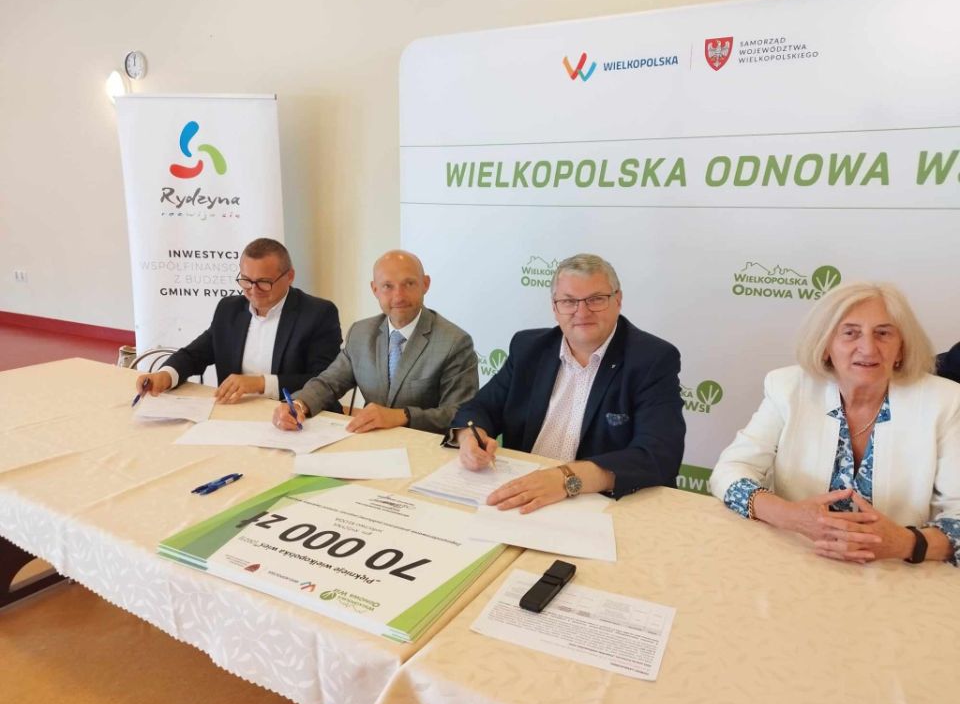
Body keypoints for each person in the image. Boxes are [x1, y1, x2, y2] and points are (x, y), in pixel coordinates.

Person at [709, 282, 960, 565]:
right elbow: (730, 470)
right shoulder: (788, 387)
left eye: (883, 333)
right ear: (826, 346)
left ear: (901, 348)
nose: (868, 348)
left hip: (896, 571)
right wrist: (790, 516)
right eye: (850, 333)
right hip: (797, 559)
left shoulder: (945, 401)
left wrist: (905, 543)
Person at [451, 253, 685, 513]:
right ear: (555, 308)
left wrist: (566, 479)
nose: (582, 312)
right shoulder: (529, 348)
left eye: (596, 299)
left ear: (617, 300)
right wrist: (470, 437)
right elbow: (479, 408)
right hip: (524, 498)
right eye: (569, 301)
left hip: (602, 505)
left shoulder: (652, 359)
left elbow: (659, 455)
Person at [273, 250, 478, 434]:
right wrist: (298, 404)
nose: (398, 296)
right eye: (388, 286)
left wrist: (403, 416)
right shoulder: (361, 333)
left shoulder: (455, 342)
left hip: (425, 448)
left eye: (409, 284)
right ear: (375, 289)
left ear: (425, 284)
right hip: (371, 443)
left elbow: (460, 414)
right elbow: (328, 383)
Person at [135, 238, 341, 404]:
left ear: (289, 277)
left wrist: (260, 384)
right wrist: (165, 375)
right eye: (246, 280)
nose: (253, 290)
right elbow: (194, 355)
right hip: (236, 413)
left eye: (264, 282)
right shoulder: (229, 309)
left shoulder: (318, 314)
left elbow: (324, 381)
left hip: (295, 414)